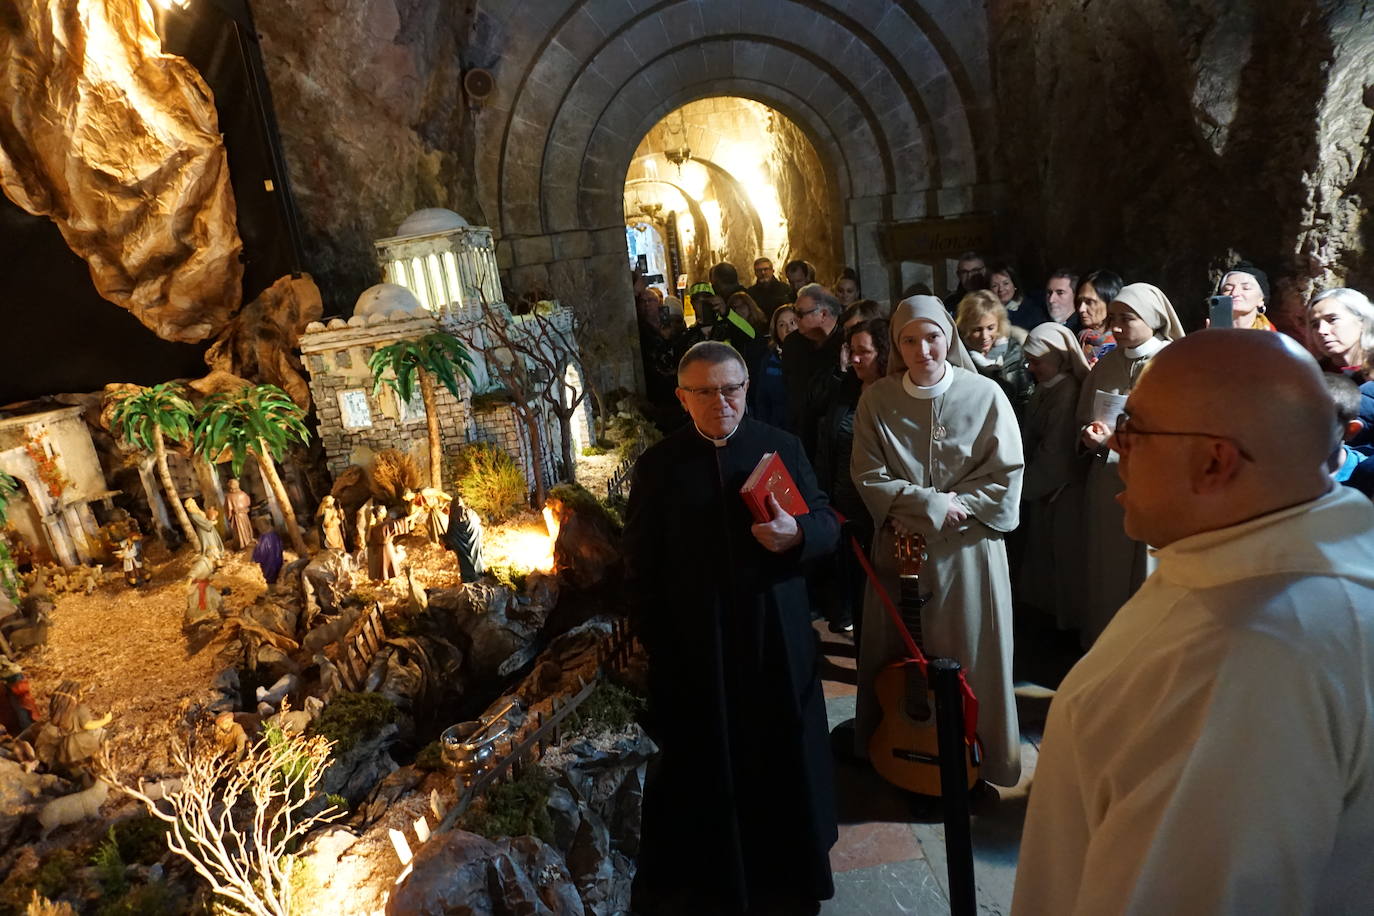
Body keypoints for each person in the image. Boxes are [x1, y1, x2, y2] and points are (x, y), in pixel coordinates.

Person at [1013, 329, 1374, 916]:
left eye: (1133, 430)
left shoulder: (1245, 661)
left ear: (1213, 461)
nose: (1116, 446)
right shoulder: (1268, 566)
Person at [626, 341, 840, 914]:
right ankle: (725, 880)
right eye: (705, 392)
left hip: (777, 637)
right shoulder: (658, 467)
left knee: (786, 756)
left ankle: (795, 874)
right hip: (702, 647)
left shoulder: (782, 446)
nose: (721, 402)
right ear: (682, 398)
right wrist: (658, 642)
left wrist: (796, 535)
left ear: (746, 388)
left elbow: (826, 523)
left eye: (731, 389)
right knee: (712, 761)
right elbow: (641, 565)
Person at [850, 296, 1025, 788]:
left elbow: (1006, 475)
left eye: (932, 337)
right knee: (899, 657)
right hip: (901, 551)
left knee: (972, 655)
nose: (923, 349)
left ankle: (980, 758)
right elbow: (867, 474)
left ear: (948, 336)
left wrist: (958, 508)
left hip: (968, 553)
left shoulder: (986, 395)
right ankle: (901, 749)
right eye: (909, 339)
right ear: (897, 345)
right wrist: (930, 506)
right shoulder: (877, 400)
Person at [1075, 282, 1186, 647]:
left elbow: (1180, 433)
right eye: (1114, 319)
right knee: (1106, 573)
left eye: (1127, 319)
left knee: (1145, 576)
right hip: (1107, 483)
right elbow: (1082, 416)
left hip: (1151, 484)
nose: (1117, 327)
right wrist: (1090, 436)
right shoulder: (1106, 364)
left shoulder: (1171, 363)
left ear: (1152, 319)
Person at [815, 318, 889, 636]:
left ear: (884, 354)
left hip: (878, 516)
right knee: (858, 600)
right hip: (844, 510)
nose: (855, 358)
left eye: (864, 352)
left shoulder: (895, 395)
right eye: (852, 351)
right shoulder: (845, 389)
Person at [1017, 323, 1092, 630]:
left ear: (1060, 358)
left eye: (1038, 361)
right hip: (1044, 489)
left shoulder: (1068, 393)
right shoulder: (1045, 389)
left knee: (1064, 565)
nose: (1031, 367)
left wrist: (1021, 488)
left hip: (1061, 491)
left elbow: (1057, 451)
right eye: (1029, 360)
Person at [781, 283, 843, 458]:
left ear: (823, 314)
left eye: (800, 314)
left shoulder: (846, 342)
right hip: (803, 432)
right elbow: (790, 385)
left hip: (836, 432)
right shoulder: (793, 344)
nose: (795, 319)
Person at [954, 290, 1032, 412]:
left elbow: (1024, 398)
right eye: (977, 329)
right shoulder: (958, 358)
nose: (985, 336)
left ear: (999, 324)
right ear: (966, 328)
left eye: (990, 328)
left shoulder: (1014, 351)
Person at [748, 305, 797, 428]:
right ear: (775, 331)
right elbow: (762, 400)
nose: (788, 329)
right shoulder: (769, 359)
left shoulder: (812, 355)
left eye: (793, 322)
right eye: (781, 325)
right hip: (777, 428)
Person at [1074, 269, 1122, 364]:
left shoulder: (1122, 344)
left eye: (1089, 302)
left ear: (1110, 303)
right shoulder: (1077, 340)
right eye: (1079, 302)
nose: (1081, 309)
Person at [988, 261, 1048, 330]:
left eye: (1006, 283)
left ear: (1014, 285)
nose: (1001, 289)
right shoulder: (987, 312)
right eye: (995, 286)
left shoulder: (1032, 311)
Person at [1217, 262, 1276, 330]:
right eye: (1228, 289)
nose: (1234, 293)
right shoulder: (1208, 333)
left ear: (1261, 300)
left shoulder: (1272, 337)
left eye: (1246, 288)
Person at [185, 498, 225, 564]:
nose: (195, 504)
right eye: (193, 504)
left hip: (208, 529)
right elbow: (202, 523)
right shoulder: (193, 515)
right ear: (191, 506)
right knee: (210, 543)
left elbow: (205, 518)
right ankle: (215, 560)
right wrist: (212, 523)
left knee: (213, 542)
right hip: (204, 530)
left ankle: (217, 558)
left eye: (194, 503)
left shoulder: (197, 511)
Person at [224, 479, 254, 550]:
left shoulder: (229, 496)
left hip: (239, 516)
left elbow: (227, 509)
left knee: (241, 529)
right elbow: (248, 503)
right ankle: (244, 542)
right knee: (242, 529)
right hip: (241, 515)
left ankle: (244, 543)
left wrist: (231, 514)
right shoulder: (242, 494)